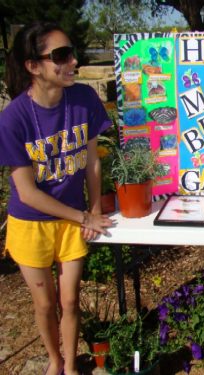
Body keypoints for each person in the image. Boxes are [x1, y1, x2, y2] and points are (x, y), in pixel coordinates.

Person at [0, 22, 114, 375]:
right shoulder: (12, 119)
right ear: (34, 66)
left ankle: (68, 365)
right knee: (46, 304)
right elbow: (27, 192)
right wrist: (84, 216)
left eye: (72, 52)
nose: (74, 62)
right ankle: (53, 360)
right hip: (31, 224)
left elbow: (93, 161)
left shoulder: (84, 100)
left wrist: (93, 209)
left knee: (69, 300)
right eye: (62, 56)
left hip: (72, 222)